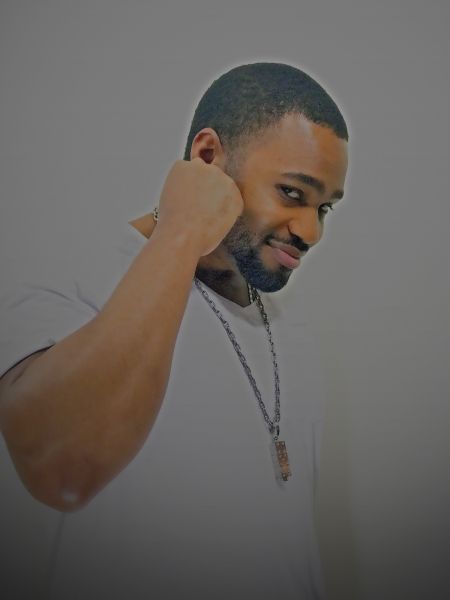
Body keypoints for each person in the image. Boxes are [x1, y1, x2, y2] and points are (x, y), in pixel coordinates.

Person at [0, 62, 348, 599]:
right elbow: (60, 468)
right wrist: (184, 227)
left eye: (323, 207)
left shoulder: (291, 328)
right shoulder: (69, 273)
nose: (311, 231)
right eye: (292, 193)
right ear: (207, 157)